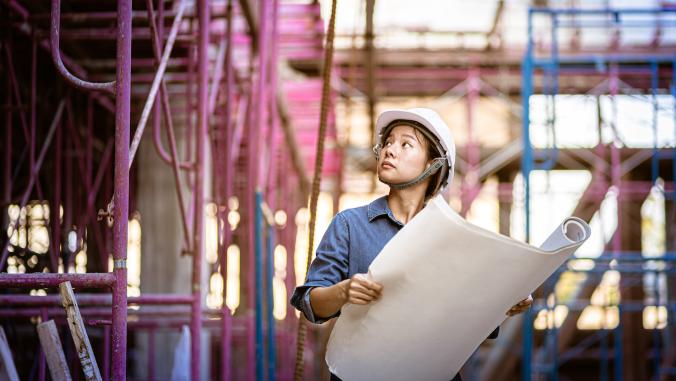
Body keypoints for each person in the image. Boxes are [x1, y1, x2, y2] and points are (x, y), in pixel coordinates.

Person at [290, 108, 533, 381]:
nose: (390, 151)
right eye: (388, 142)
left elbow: (470, 318)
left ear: (433, 165)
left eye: (406, 144)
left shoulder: (453, 240)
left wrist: (504, 302)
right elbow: (311, 304)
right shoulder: (349, 225)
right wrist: (343, 291)